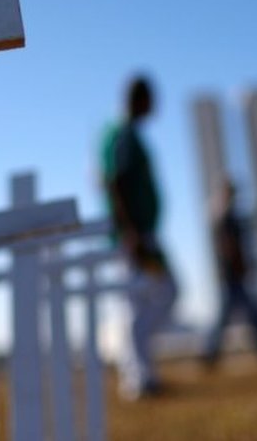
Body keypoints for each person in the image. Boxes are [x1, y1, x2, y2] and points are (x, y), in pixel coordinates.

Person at [101, 74, 178, 400]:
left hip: (141, 234)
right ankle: (138, 379)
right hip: (133, 237)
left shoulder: (129, 134)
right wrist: (130, 232)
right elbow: (113, 182)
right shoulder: (121, 135)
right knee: (143, 301)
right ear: (140, 99)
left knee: (157, 296)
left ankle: (140, 373)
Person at [201, 179, 257, 364]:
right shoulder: (224, 219)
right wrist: (239, 266)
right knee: (240, 316)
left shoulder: (230, 218)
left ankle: (212, 353)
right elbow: (228, 248)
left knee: (249, 315)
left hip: (234, 277)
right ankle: (211, 353)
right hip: (231, 277)